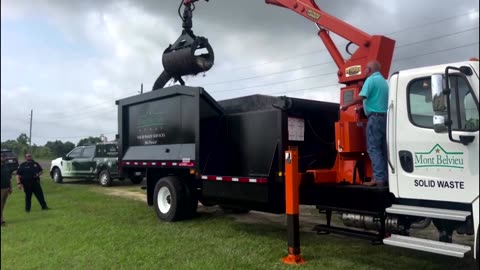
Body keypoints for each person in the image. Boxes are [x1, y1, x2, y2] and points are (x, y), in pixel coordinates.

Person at [341, 60, 389, 186]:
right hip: (385, 119)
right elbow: (377, 100)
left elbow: (361, 96)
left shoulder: (371, 80)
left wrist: (346, 105)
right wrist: (363, 107)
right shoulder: (384, 82)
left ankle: (378, 178)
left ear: (368, 70)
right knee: (383, 149)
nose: (364, 71)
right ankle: (386, 177)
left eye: (365, 69)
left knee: (373, 148)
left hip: (374, 119)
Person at [1, 155, 13, 226]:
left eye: (3, 157)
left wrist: (10, 187)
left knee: (3, 204)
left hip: (6, 188)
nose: (3, 158)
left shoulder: (6, 166)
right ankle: (1, 220)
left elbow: (9, 178)